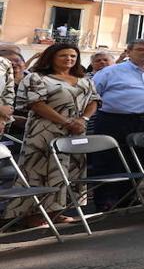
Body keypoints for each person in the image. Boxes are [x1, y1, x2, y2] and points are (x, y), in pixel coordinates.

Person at [8, 44, 99, 228]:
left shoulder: (84, 79)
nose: (69, 59)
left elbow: (94, 101)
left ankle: (57, 212)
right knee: (39, 170)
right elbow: (36, 104)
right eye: (63, 55)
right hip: (45, 130)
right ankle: (30, 215)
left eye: (73, 56)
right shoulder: (37, 77)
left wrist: (83, 119)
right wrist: (65, 122)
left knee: (69, 170)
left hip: (75, 130)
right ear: (51, 57)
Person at [90, 39, 144, 212]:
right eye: (141, 49)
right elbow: (93, 93)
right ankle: (105, 200)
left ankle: (128, 197)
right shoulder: (111, 72)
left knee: (138, 160)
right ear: (128, 52)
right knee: (109, 160)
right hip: (115, 120)